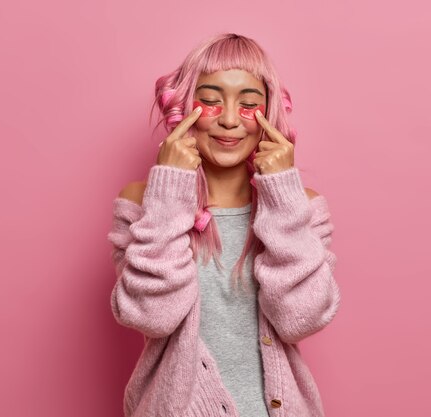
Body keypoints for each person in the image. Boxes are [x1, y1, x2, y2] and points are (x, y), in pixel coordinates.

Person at [107, 32, 340, 417]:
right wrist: (170, 189)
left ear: (269, 115)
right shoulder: (144, 199)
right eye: (211, 101)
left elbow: (302, 318)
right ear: (185, 108)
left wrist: (282, 194)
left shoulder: (302, 206)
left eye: (248, 104)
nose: (230, 120)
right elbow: (151, 315)